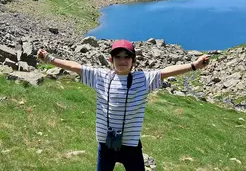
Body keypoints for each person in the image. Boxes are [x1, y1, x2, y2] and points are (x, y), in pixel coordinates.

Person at [37, 39, 210, 171]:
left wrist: (194, 66)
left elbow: (165, 72)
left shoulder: (143, 80)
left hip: (131, 146)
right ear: (110, 59)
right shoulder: (101, 77)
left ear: (133, 60)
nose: (122, 60)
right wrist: (49, 59)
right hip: (106, 145)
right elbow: (76, 67)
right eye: (118, 56)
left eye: (127, 56)